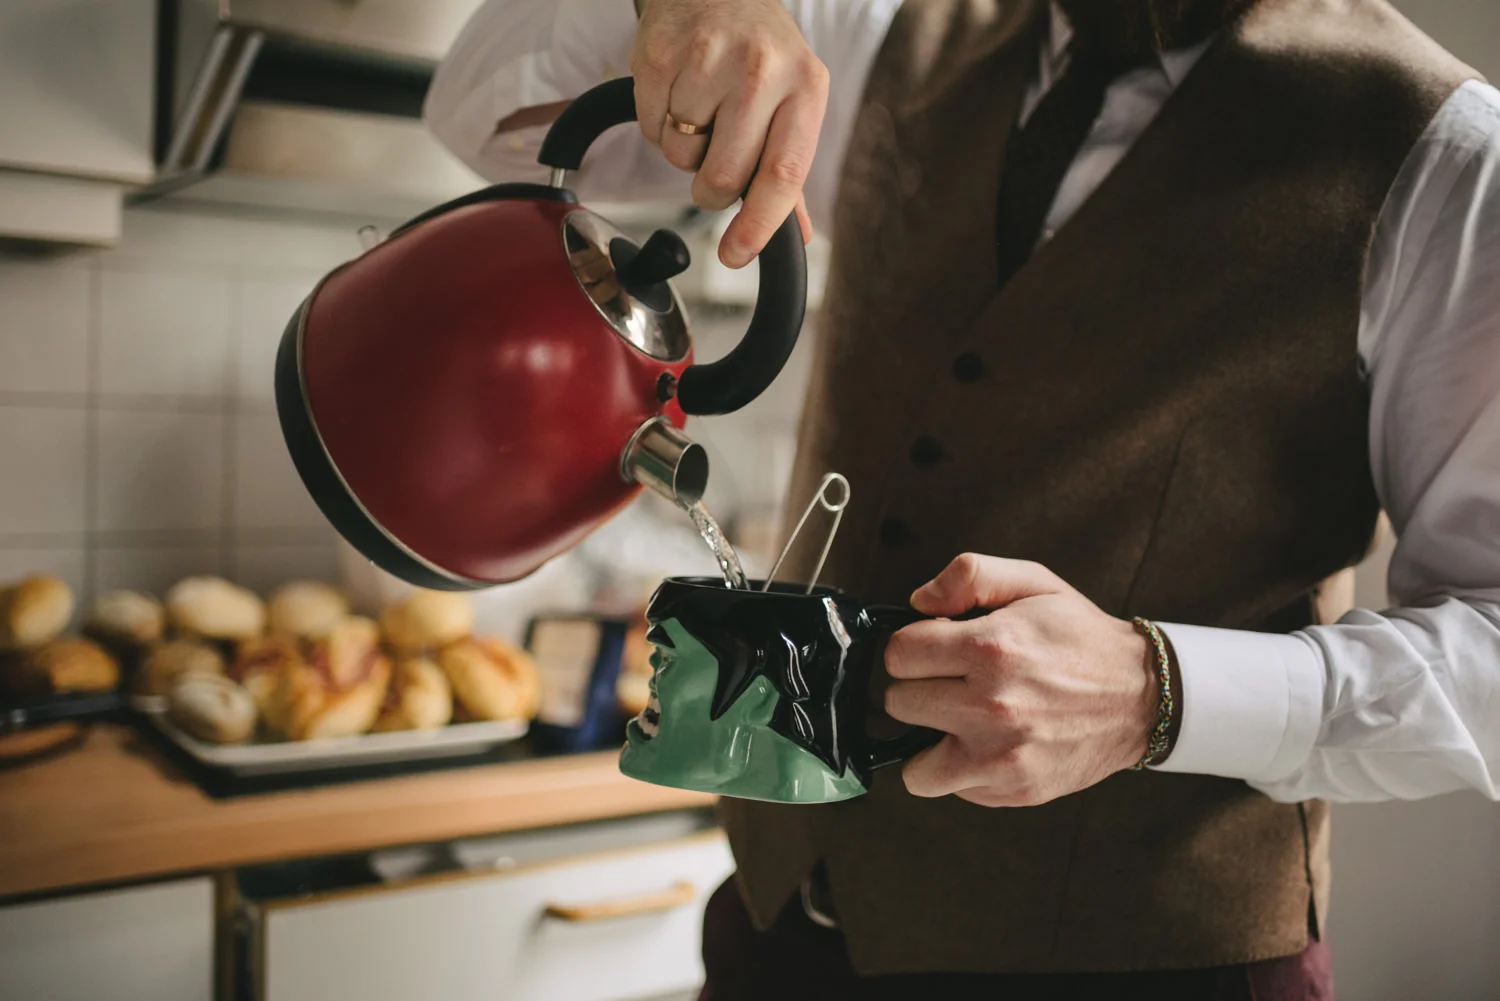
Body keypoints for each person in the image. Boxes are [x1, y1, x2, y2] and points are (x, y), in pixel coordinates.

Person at [425, 1, 1500, 997]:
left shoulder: (1446, 154)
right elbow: (484, 118)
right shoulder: (873, 27)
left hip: (1153, 964)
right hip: (778, 932)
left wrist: (1156, 691)